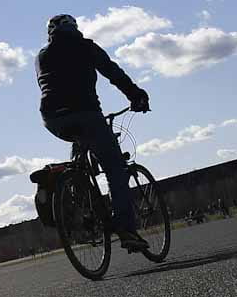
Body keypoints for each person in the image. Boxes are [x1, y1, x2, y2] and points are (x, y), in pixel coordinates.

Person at [36, 14, 152, 253]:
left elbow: (47, 85)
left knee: (80, 141)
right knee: (114, 168)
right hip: (86, 113)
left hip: (52, 119)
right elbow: (113, 73)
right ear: (74, 29)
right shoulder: (86, 47)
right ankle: (127, 230)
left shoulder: (41, 56)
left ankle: (80, 190)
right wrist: (136, 95)